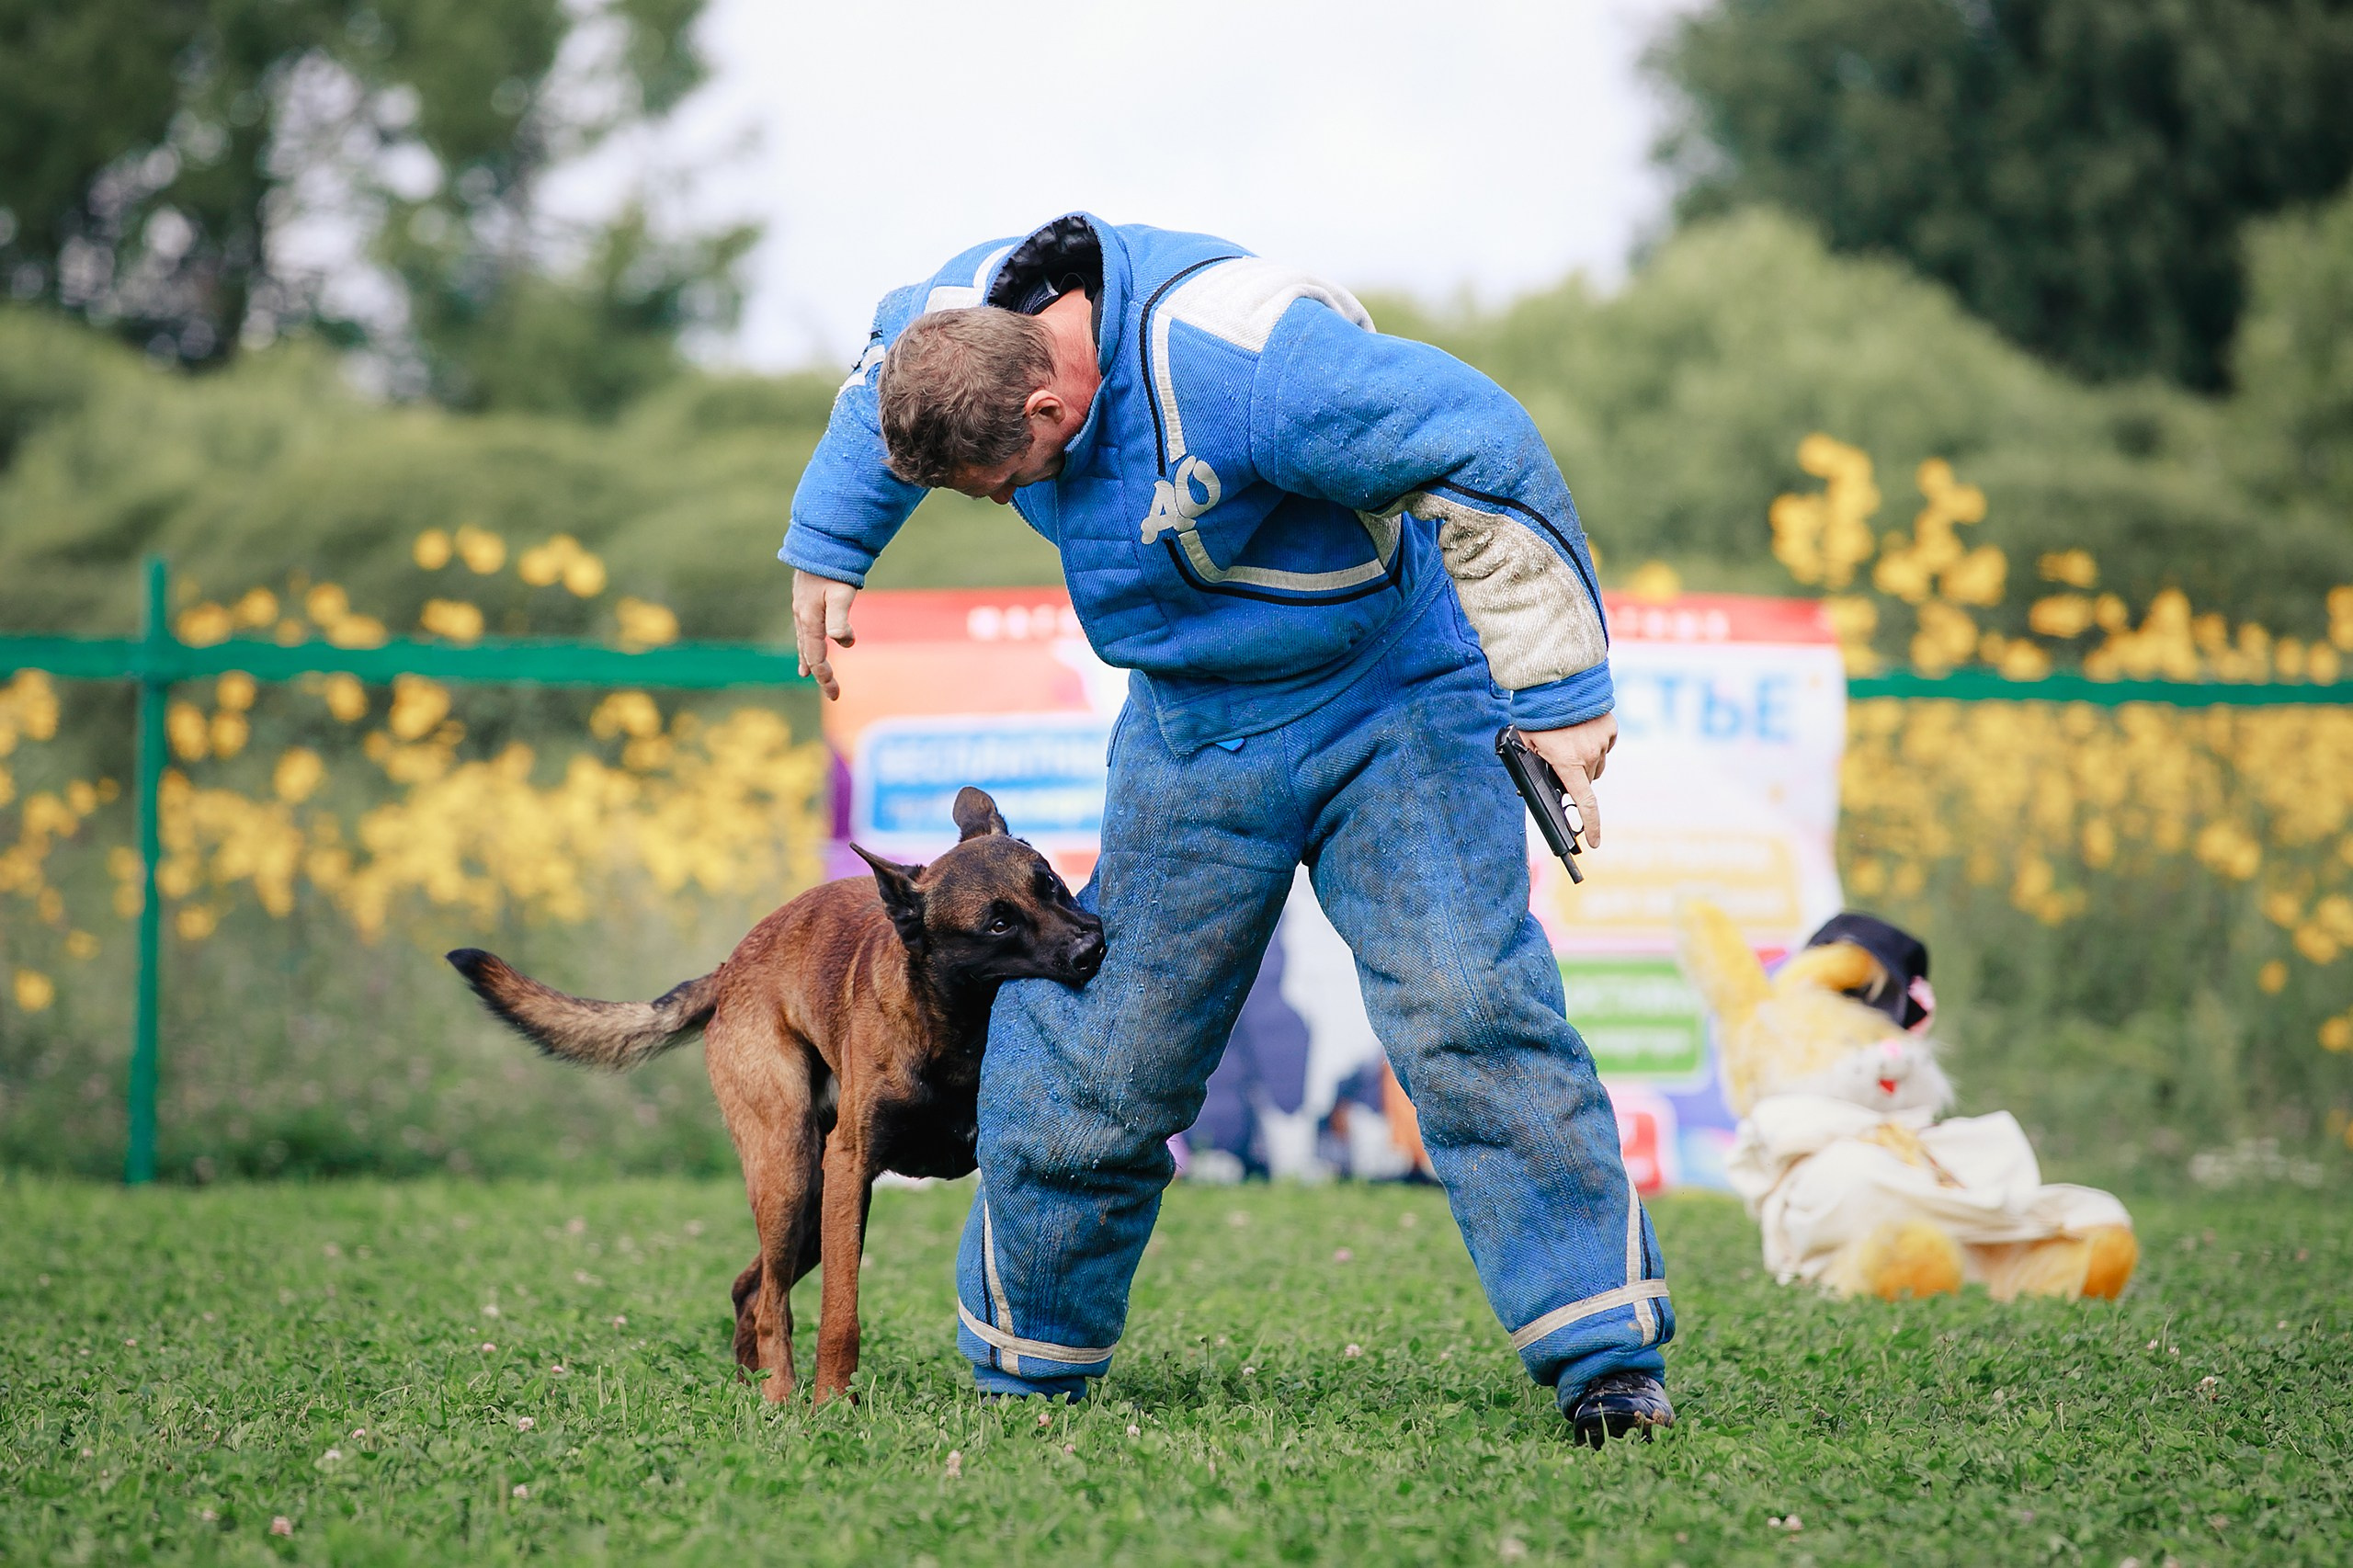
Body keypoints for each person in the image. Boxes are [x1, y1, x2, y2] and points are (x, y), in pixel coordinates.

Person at [782, 213, 1674, 1446]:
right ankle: (1028, 1357)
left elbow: (1480, 444)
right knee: (1106, 1039)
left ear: (1046, 406)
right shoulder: (956, 312)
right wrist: (831, 543)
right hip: (1195, 733)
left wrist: (1563, 692)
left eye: (1003, 485)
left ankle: (1605, 1357)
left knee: (1471, 1002)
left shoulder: (1254, 362)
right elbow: (879, 378)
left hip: (1395, 696)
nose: (1002, 505)